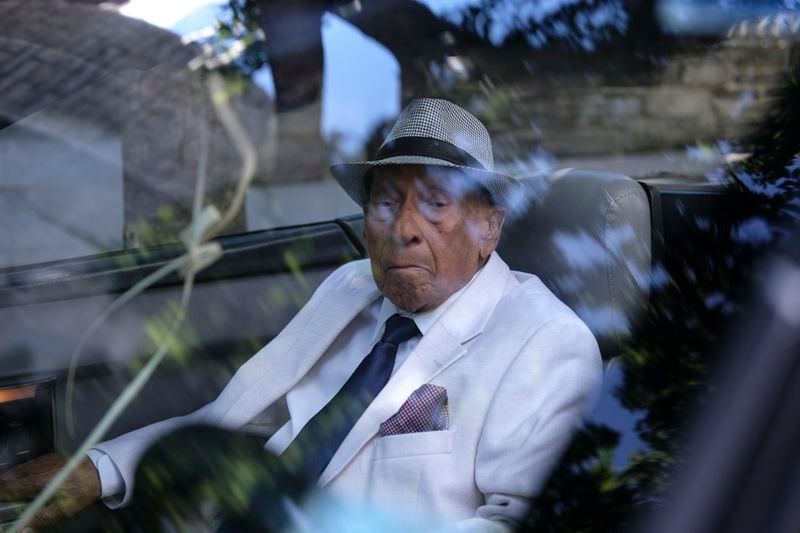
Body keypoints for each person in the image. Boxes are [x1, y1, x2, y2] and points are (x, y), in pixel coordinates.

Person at [0, 98, 602, 530]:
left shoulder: (544, 342)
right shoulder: (350, 289)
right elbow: (235, 420)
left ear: (488, 227)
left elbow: (515, 523)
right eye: (387, 204)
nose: (405, 231)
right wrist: (95, 470)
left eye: (436, 204)